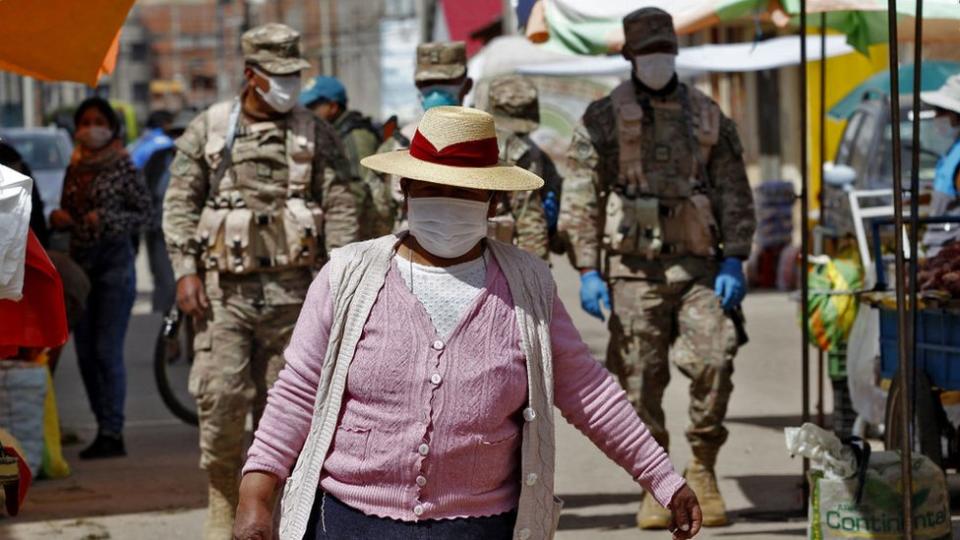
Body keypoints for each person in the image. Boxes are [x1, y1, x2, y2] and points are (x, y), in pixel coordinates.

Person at [233, 106, 702, 540]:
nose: (446, 202)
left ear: (494, 201)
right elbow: (297, 393)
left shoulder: (529, 285)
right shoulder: (349, 275)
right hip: (350, 520)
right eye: (432, 187)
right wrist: (255, 495)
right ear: (406, 190)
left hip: (480, 527)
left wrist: (661, 478)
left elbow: (589, 393)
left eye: (464, 191)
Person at [558, 7, 756, 529]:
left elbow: (734, 188)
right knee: (638, 381)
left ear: (675, 52)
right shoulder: (602, 118)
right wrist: (587, 269)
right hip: (631, 272)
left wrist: (735, 255)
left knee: (716, 358)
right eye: (647, 54)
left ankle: (704, 468)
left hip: (698, 270)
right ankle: (660, 482)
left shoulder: (708, 115)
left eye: (664, 51)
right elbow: (582, 195)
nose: (657, 61)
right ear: (629, 58)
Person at [161, 23, 358, 540]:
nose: (290, 84)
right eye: (280, 75)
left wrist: (342, 278)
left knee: (291, 409)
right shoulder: (209, 129)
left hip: (298, 298)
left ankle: (282, 509)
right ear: (251, 75)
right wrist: (184, 271)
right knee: (221, 398)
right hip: (224, 296)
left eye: (295, 74)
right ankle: (224, 501)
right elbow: (179, 203)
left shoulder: (316, 132)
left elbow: (341, 202)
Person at [49, 96, 152, 459]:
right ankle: (102, 426)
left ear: (110, 127)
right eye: (85, 121)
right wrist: (59, 218)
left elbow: (145, 214)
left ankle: (113, 430)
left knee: (107, 351)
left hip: (114, 265)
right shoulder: (75, 167)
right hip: (80, 267)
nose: (91, 127)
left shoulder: (124, 166)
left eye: (98, 121)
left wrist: (107, 220)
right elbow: (67, 208)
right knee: (86, 354)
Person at [363, 41, 474, 236]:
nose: (436, 92)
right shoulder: (396, 146)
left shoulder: (489, 145)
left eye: (447, 83)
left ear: (466, 86)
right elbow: (377, 214)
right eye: (427, 85)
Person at [486, 74, 563, 260]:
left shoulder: (470, 136)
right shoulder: (522, 152)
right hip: (503, 257)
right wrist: (535, 274)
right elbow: (529, 219)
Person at [301, 76, 382, 240]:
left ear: (332, 107)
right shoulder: (330, 134)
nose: (308, 113)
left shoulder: (355, 136)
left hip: (361, 234)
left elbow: (358, 189)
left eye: (313, 107)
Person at [142, 110, 192, 314]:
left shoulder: (206, 160)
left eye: (186, 134)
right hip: (161, 233)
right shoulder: (158, 158)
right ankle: (164, 337)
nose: (180, 140)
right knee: (166, 286)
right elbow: (146, 191)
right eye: (176, 134)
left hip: (192, 236)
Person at [921, 74, 960, 254]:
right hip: (939, 250)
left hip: (949, 252)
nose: (937, 117)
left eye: (942, 111)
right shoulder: (952, 151)